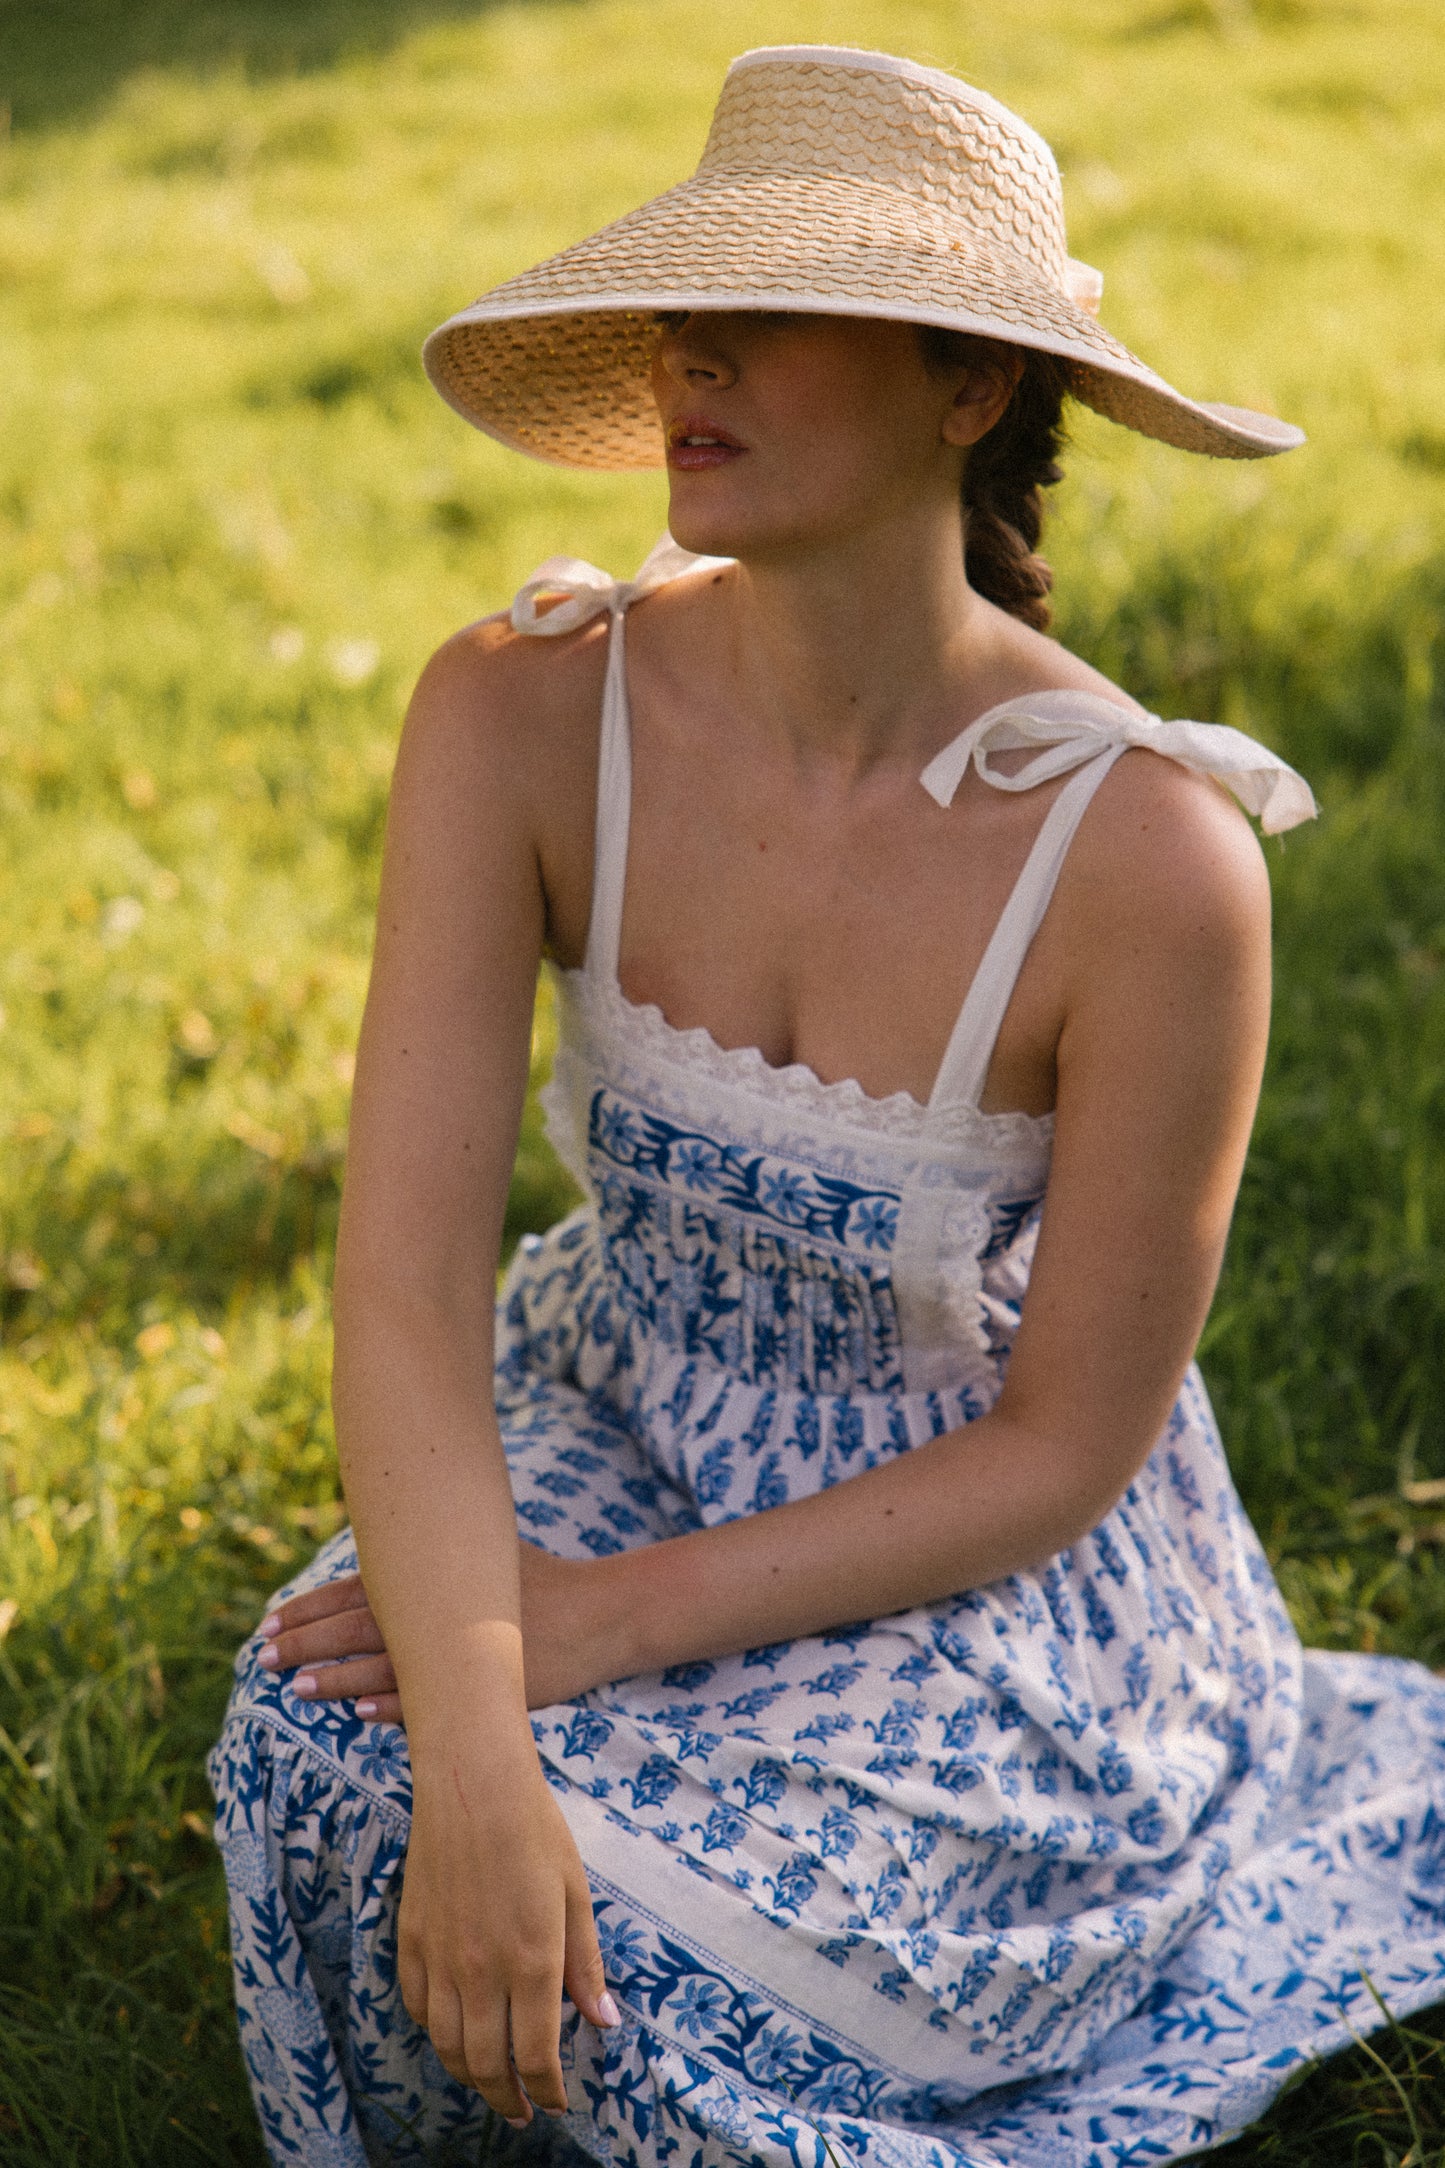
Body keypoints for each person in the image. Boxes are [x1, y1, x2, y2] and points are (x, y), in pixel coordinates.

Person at [208, 44, 1445, 2168]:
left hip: (974, 1565)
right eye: (683, 306)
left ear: (971, 389)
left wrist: (592, 1628)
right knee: (335, 1753)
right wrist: (491, 1717)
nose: (689, 360)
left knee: (667, 1948)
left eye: (767, 311)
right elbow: (403, 1285)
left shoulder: (1153, 866)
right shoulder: (519, 710)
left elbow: (1066, 1445)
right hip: (608, 1406)